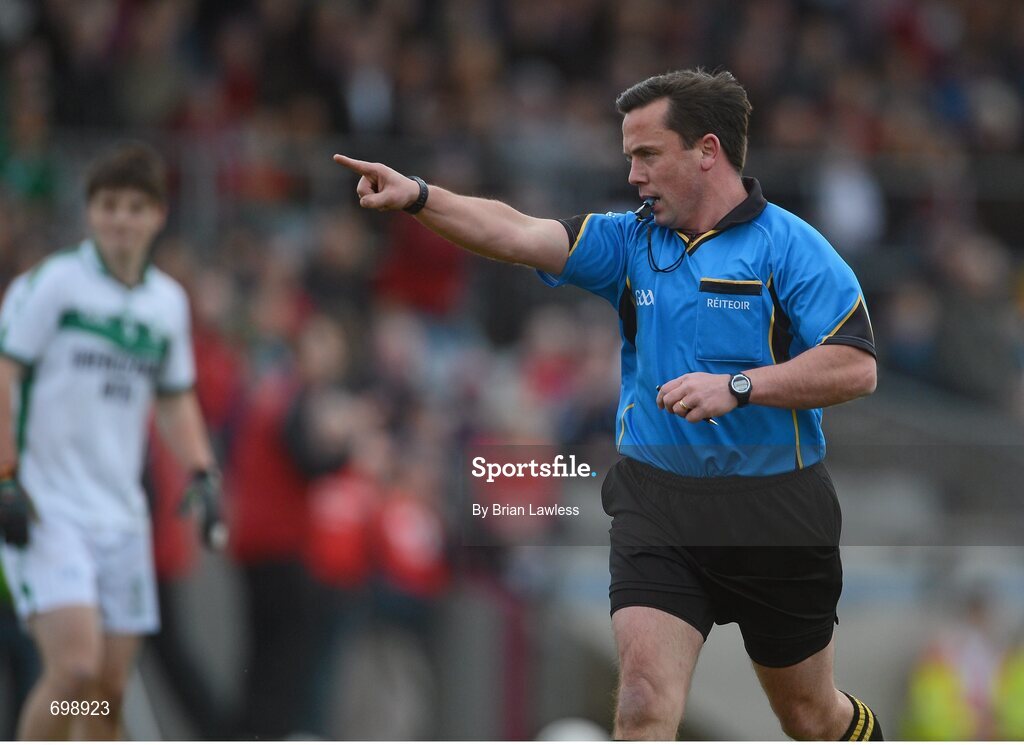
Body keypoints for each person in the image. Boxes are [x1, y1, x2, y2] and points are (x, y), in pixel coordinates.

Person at [335, 68, 882, 741]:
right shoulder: (630, 241)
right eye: (630, 157)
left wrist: (739, 385)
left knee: (809, 716)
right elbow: (516, 233)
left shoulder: (793, 248)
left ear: (706, 151)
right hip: (658, 503)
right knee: (643, 703)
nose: (633, 176)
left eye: (647, 155)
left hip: (776, 510)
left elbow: (856, 366)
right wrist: (420, 196)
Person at [0, 143, 223, 740]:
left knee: (107, 692)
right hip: (49, 507)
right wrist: (4, 476)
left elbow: (174, 397)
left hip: (121, 515)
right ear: (90, 212)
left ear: (158, 214)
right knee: (72, 670)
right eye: (107, 206)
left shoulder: (166, 304)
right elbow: (4, 372)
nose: (119, 220)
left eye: (133, 207)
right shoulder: (52, 285)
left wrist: (203, 472)